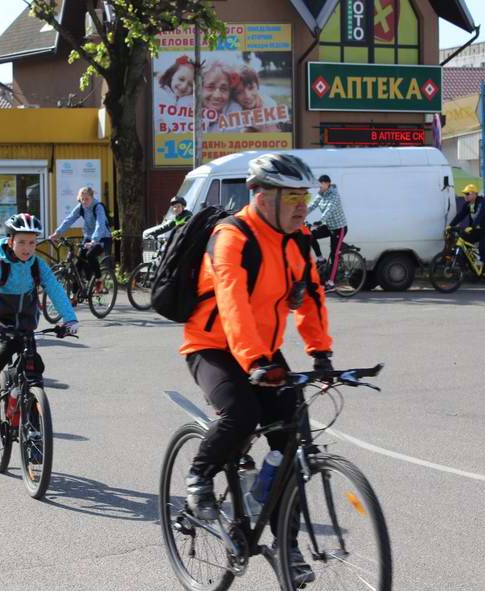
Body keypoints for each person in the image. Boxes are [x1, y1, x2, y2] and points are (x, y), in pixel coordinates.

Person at [179, 153, 333, 583]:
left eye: (304, 195)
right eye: (292, 197)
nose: (303, 205)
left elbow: (312, 295)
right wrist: (254, 362)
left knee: (292, 442)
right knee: (243, 413)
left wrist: (321, 353)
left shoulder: (298, 239)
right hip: (212, 346)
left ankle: (286, 542)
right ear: (262, 196)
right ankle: (198, 478)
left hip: (263, 352)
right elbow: (232, 303)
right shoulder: (232, 237)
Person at [0, 213, 79, 411]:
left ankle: (34, 411)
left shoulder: (37, 264)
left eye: (32, 243)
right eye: (21, 242)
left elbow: (55, 289)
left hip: (27, 316)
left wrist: (70, 319)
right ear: (10, 241)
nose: (27, 248)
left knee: (34, 362)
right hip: (3, 316)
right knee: (11, 346)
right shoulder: (0, 264)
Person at [49, 186, 112, 282]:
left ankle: (99, 279)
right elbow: (70, 219)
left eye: (87, 199)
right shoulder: (81, 207)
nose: (84, 202)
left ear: (92, 197)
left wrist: (94, 240)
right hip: (88, 237)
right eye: (82, 199)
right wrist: (57, 233)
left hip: (103, 238)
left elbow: (100, 224)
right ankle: (75, 295)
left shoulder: (98, 207)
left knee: (90, 255)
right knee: (78, 265)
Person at [307, 174, 348, 292]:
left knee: (334, 253)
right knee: (310, 235)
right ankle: (320, 259)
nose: (319, 186)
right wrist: (301, 215)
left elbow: (329, 210)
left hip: (339, 228)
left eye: (321, 184)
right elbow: (313, 205)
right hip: (329, 226)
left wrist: (320, 221)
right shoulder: (321, 193)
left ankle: (331, 283)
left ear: (327, 183)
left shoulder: (334, 195)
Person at [448, 184, 485, 277]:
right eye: (464, 194)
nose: (465, 196)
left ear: (475, 194)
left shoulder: (482, 203)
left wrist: (472, 226)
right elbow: (460, 215)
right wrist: (450, 225)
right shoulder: (468, 204)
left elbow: (479, 216)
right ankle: (471, 266)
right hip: (478, 230)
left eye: (467, 193)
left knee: (482, 249)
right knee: (463, 241)